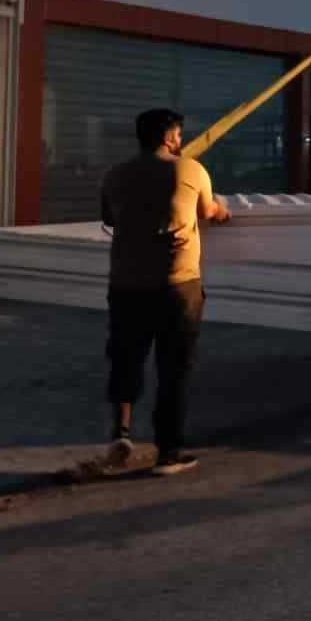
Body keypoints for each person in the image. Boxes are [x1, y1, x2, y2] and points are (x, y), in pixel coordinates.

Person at [99, 108, 230, 475]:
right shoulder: (190, 170)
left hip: (126, 284)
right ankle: (167, 454)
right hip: (177, 285)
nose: (181, 139)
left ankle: (120, 434)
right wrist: (224, 212)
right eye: (178, 134)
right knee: (174, 368)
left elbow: (109, 218)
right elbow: (209, 211)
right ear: (170, 137)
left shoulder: (115, 175)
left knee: (126, 358)